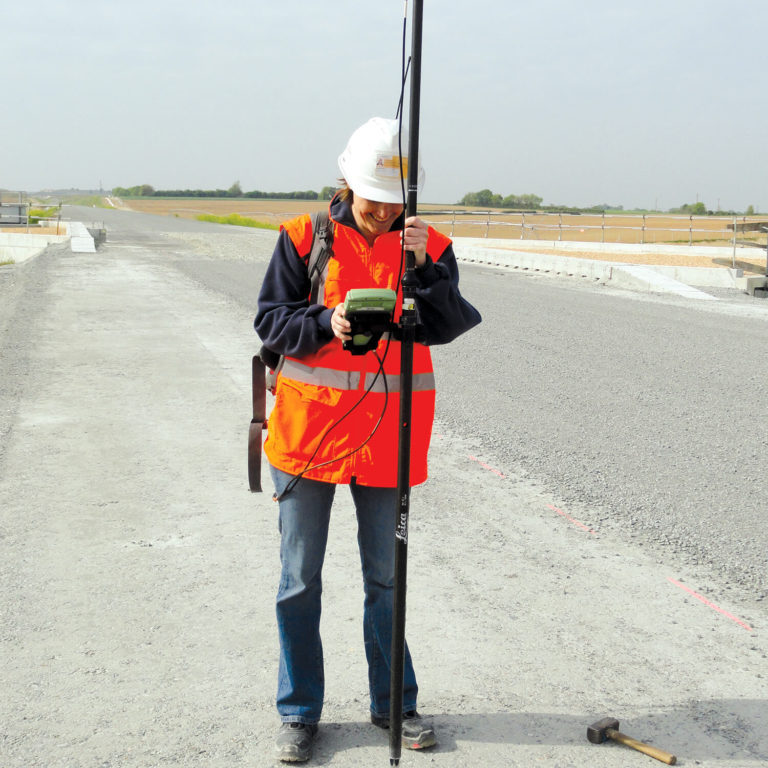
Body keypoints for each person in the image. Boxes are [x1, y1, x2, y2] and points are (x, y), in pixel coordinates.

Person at [254, 116, 481, 763]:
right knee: (299, 580)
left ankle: (394, 706)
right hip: (309, 440)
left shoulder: (428, 246)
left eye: (393, 202)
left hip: (389, 442)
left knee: (386, 580)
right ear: (346, 184)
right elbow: (270, 319)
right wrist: (329, 319)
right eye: (372, 200)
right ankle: (299, 713)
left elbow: (449, 323)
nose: (382, 214)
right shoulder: (303, 239)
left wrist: (420, 269)